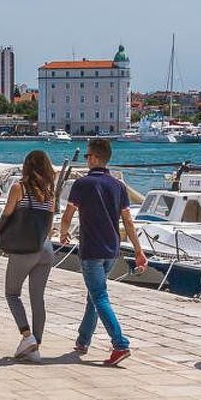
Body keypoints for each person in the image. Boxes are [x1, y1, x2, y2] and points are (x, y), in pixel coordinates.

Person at [58, 137, 146, 365]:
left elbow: (67, 215)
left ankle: (120, 344)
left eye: (87, 155)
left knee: (99, 296)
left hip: (92, 249)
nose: (86, 159)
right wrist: (138, 251)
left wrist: (63, 233)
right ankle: (83, 340)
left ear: (95, 158)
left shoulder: (82, 184)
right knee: (94, 295)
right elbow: (128, 221)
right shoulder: (119, 186)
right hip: (112, 249)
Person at [0, 148, 58, 360]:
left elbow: (6, 216)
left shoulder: (19, 188)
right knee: (38, 298)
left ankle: (27, 337)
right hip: (45, 249)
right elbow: (48, 226)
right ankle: (35, 348)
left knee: (12, 294)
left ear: (27, 166)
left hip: (25, 250)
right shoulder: (50, 193)